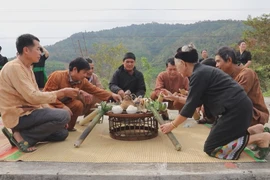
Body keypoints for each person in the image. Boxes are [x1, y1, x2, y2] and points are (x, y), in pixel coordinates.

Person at [160, 44, 270, 160]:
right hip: (238, 109)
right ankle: (254, 131)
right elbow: (195, 101)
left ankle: (261, 138)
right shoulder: (200, 72)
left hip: (235, 111)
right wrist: (176, 98)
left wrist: (172, 125)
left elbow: (189, 107)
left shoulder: (199, 74)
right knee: (220, 138)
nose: (177, 70)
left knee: (212, 148)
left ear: (183, 63)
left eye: (176, 67)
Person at [0, 34, 79, 153]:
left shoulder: (27, 68)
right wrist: (61, 93)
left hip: (30, 112)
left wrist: (53, 113)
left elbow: (37, 96)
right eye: (38, 49)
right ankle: (23, 137)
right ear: (26, 50)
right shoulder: (14, 67)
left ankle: (21, 134)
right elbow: (32, 97)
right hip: (18, 115)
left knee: (62, 133)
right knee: (64, 116)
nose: (40, 53)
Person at [43, 57, 122, 131]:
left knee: (78, 105)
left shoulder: (82, 81)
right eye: (84, 72)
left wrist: (112, 95)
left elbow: (96, 90)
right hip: (51, 105)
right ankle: (51, 128)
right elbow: (46, 96)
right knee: (49, 109)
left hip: (67, 105)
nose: (85, 75)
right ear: (74, 69)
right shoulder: (57, 76)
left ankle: (69, 128)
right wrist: (62, 106)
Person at [215, 46, 269, 126]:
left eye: (218, 61)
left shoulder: (247, 73)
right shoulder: (227, 77)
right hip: (243, 114)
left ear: (229, 60)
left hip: (255, 114)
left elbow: (234, 99)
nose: (216, 65)